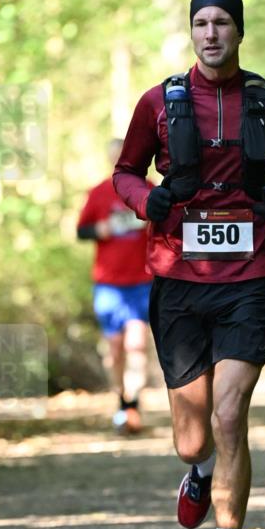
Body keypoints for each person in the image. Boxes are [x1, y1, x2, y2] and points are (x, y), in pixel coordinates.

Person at [114, 0, 265, 529]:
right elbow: (124, 172)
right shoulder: (158, 102)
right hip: (177, 281)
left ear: (239, 29)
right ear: (191, 31)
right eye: (202, 21)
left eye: (223, 21)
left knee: (232, 417)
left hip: (249, 281)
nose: (211, 32)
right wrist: (151, 200)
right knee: (193, 439)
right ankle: (197, 473)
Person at [77, 139, 152, 433]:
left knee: (137, 345)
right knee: (115, 351)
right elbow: (81, 231)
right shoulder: (98, 193)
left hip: (143, 281)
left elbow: (170, 226)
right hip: (108, 285)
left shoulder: (149, 188)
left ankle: (132, 405)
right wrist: (102, 229)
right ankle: (120, 399)